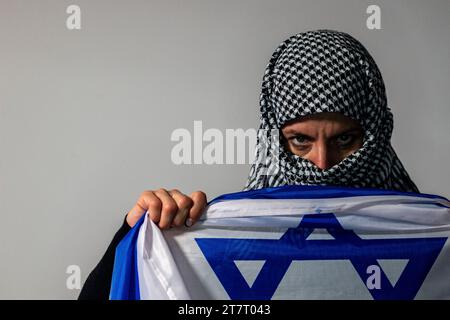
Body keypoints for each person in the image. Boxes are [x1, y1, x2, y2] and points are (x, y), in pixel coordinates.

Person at [78, 29, 419, 299]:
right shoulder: (224, 245)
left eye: (344, 140)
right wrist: (135, 239)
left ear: (375, 132)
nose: (322, 163)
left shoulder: (430, 240)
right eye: (300, 140)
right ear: (273, 138)